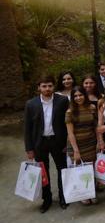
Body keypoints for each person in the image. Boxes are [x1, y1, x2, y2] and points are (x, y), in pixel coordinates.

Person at [24, 75, 70, 212]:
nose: (47, 89)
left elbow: (67, 122)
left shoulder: (62, 101)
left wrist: (68, 142)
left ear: (54, 87)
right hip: (40, 143)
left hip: (58, 141)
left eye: (50, 86)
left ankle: (63, 197)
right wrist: (29, 148)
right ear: (39, 88)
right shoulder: (31, 104)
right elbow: (27, 128)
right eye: (44, 86)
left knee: (62, 169)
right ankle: (47, 199)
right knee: (43, 172)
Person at [65, 86, 98, 205]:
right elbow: (70, 133)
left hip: (91, 143)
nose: (78, 98)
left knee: (90, 168)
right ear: (72, 98)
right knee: (80, 170)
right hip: (76, 145)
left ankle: (91, 192)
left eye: (81, 95)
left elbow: (95, 126)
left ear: (85, 95)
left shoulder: (92, 107)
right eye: (76, 96)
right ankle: (83, 194)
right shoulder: (70, 112)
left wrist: (99, 141)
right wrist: (76, 151)